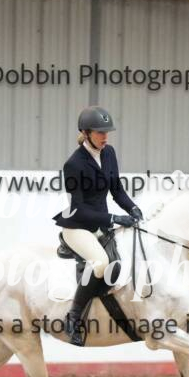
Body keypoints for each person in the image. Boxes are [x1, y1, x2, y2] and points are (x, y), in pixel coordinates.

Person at [52, 106, 143, 346]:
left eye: (107, 132)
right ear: (86, 132)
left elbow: (117, 190)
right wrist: (114, 219)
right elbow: (79, 208)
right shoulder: (74, 164)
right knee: (101, 263)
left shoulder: (109, 153)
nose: (105, 137)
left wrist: (132, 208)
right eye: (100, 133)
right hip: (78, 226)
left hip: (101, 223)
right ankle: (73, 317)